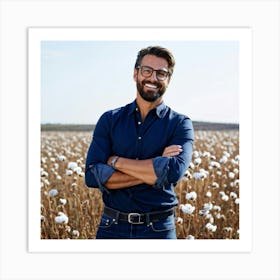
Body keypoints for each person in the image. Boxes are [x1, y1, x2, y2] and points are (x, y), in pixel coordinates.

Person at [85, 46, 194, 239]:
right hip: (112, 227)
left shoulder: (180, 124)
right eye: (147, 71)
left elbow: (173, 172)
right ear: (136, 74)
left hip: (159, 229)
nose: (152, 78)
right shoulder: (109, 120)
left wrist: (115, 162)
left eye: (161, 73)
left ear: (169, 80)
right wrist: (156, 166)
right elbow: (92, 176)